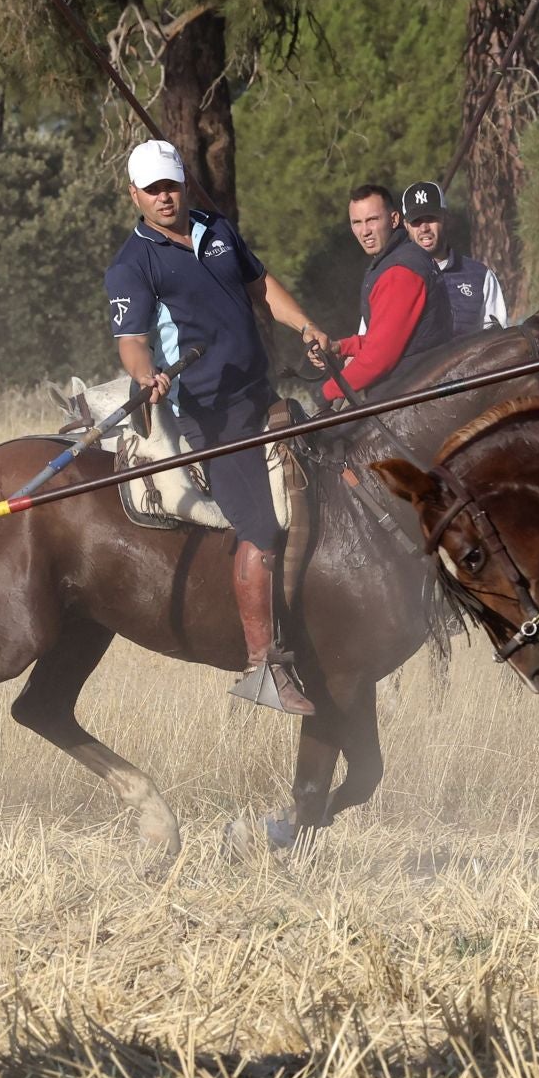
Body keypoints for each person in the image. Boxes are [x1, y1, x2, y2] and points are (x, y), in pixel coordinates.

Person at [105, 139, 331, 715]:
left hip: (261, 391)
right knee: (260, 528)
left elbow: (260, 285)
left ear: (183, 183)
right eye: (151, 188)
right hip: (207, 409)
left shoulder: (216, 227)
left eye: (170, 185)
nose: (163, 196)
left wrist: (305, 323)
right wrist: (145, 372)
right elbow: (131, 341)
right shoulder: (134, 264)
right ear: (133, 194)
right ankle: (262, 667)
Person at [322, 184, 454, 404]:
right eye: (357, 223)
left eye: (372, 220)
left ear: (394, 220)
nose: (365, 231)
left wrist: (326, 393)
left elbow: (378, 358)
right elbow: (399, 338)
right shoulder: (398, 260)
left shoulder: (400, 272)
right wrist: (343, 347)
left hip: (418, 397)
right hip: (418, 388)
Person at [400, 181, 508, 334]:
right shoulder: (390, 279)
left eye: (431, 218)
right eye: (416, 221)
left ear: (446, 218)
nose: (424, 228)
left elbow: (500, 341)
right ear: (406, 225)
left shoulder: (481, 276)